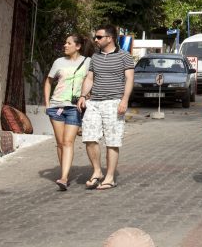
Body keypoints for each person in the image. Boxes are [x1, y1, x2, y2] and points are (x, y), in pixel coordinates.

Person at [77, 24, 135, 190]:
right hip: (94, 102)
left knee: (112, 141)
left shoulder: (125, 56)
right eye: (96, 37)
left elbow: (129, 79)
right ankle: (97, 171)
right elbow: (90, 78)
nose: (96, 39)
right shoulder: (95, 57)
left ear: (109, 38)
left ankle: (110, 177)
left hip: (114, 102)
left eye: (99, 37)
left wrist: (124, 100)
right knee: (89, 137)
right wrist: (83, 96)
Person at [42, 33, 91, 191]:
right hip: (56, 106)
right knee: (61, 142)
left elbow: (92, 81)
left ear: (78, 46)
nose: (65, 45)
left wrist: (87, 96)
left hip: (74, 107)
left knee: (69, 142)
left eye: (69, 43)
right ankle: (65, 172)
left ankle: (63, 177)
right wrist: (48, 104)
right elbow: (48, 82)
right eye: (65, 43)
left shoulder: (87, 62)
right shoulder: (58, 62)